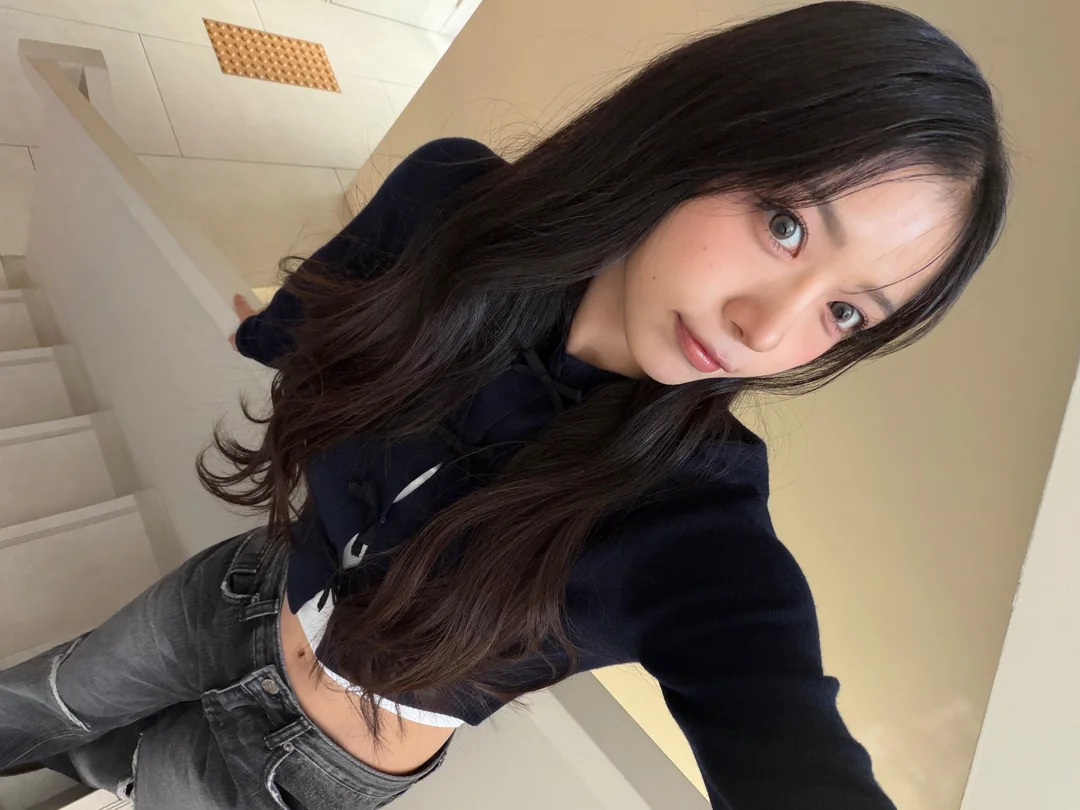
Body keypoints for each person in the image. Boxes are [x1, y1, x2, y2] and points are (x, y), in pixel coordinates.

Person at [0, 2, 1008, 808]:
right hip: (231, 596)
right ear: (698, 136)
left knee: (138, 774)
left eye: (844, 312)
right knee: (40, 702)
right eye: (786, 224)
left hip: (305, 766)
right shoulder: (448, 204)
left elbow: (786, 735)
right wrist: (276, 327)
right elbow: (314, 325)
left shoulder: (697, 522)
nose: (766, 327)